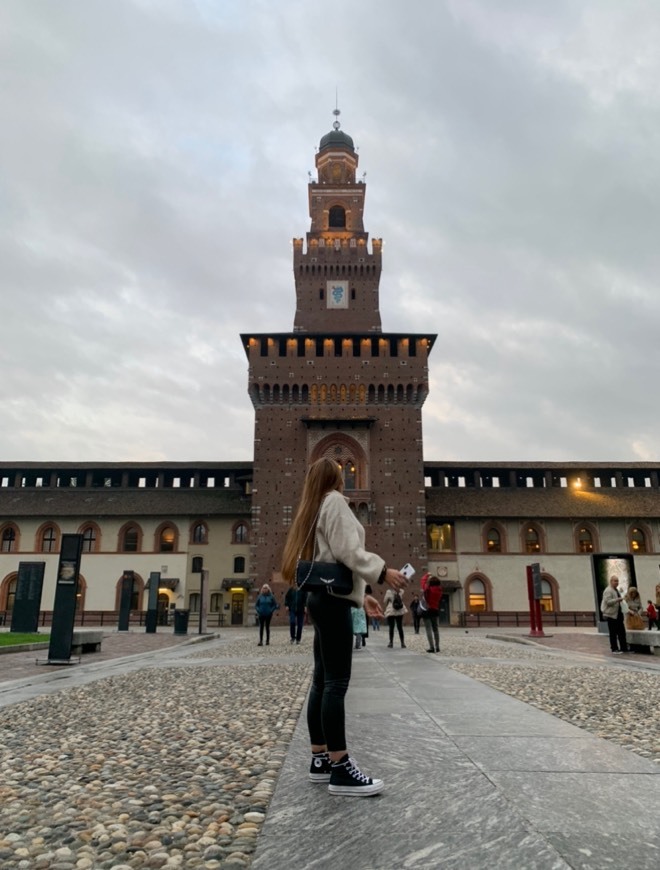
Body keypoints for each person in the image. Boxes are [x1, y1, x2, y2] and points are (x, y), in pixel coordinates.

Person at [281, 457, 406, 797]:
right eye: (342, 473)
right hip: (333, 603)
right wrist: (383, 572)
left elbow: (331, 560)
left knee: (321, 682)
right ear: (336, 478)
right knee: (335, 684)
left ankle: (320, 760)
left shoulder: (315, 506)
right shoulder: (335, 501)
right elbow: (348, 552)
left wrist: (361, 597)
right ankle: (341, 769)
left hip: (322, 599)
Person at [600, 576, 628, 655]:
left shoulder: (616, 590)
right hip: (611, 615)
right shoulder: (608, 590)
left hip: (618, 614)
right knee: (613, 633)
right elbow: (608, 602)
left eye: (617, 581)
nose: (617, 582)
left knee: (622, 632)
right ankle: (614, 648)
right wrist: (618, 599)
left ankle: (624, 648)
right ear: (611, 581)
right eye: (615, 581)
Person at [421, 572, 443, 653]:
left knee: (428, 629)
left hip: (427, 610)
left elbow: (422, 581)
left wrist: (427, 575)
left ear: (430, 582)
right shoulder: (440, 591)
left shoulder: (428, 589)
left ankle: (431, 647)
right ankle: (437, 647)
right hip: (435, 610)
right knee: (436, 629)